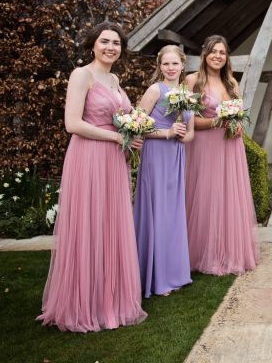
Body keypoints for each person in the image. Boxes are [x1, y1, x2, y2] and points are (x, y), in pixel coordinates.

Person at [37, 21, 146, 332]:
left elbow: (120, 120)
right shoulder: (81, 75)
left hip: (114, 161)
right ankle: (83, 302)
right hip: (88, 158)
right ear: (93, 45)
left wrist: (130, 135)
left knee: (111, 225)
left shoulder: (114, 78)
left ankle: (109, 299)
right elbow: (72, 123)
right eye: (105, 41)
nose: (111, 47)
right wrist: (115, 138)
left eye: (116, 43)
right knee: (89, 225)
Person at [184, 35, 259, 275]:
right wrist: (217, 121)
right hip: (206, 146)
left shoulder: (231, 84)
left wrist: (237, 124)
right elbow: (189, 120)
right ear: (205, 54)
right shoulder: (192, 81)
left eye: (222, 52)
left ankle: (228, 252)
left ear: (227, 57)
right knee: (207, 196)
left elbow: (237, 115)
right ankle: (204, 253)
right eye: (213, 51)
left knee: (228, 197)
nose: (218, 56)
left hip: (230, 146)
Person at [133, 45, 194, 297]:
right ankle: (155, 277)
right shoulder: (155, 90)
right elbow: (136, 126)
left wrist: (182, 136)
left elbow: (190, 133)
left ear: (182, 66)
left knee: (172, 213)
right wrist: (166, 132)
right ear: (160, 66)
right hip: (156, 155)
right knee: (157, 210)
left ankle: (174, 273)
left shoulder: (186, 93)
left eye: (175, 64)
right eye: (165, 64)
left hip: (176, 155)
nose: (170, 68)